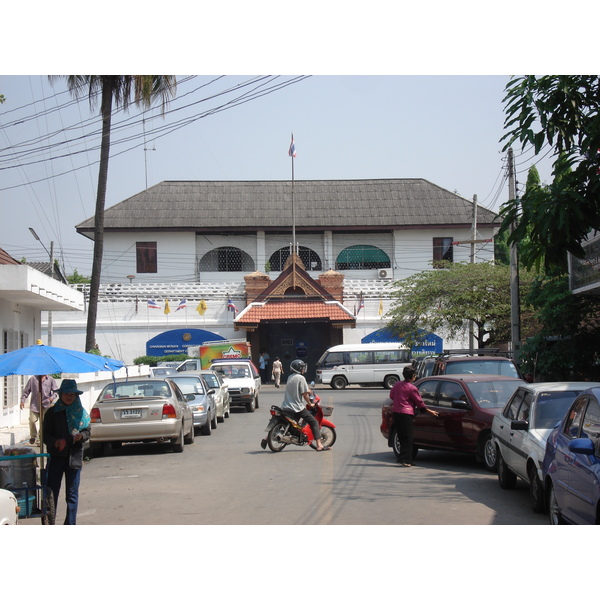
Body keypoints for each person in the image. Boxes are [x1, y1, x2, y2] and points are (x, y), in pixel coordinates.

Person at [42, 379, 91, 525]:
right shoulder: (52, 413)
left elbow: (88, 431)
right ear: (61, 394)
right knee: (51, 493)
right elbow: (45, 435)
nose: (69, 397)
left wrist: (82, 436)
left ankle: (70, 524)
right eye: (66, 394)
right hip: (56, 457)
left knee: (72, 494)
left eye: (72, 394)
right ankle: (50, 523)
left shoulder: (82, 413)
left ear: (76, 396)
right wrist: (55, 442)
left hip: (74, 457)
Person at [389, 365, 438, 467]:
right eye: (415, 375)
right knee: (408, 437)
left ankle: (403, 458)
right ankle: (407, 460)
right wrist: (430, 412)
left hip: (396, 413)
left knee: (402, 436)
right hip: (406, 414)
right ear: (412, 376)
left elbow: (392, 396)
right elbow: (419, 403)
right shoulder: (412, 388)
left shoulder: (397, 385)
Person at [282, 359, 329, 451]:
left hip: (286, 406)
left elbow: (298, 388)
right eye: (302, 367)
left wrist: (309, 390)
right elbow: (304, 394)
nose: (303, 369)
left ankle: (267, 438)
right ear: (298, 369)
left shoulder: (290, 377)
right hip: (297, 407)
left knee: (292, 423)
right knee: (314, 422)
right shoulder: (301, 378)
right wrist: (310, 403)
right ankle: (319, 445)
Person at [20, 374, 58, 445]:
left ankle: (40, 440)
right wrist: (22, 401)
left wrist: (51, 398)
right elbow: (26, 391)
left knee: (43, 423)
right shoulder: (33, 379)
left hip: (46, 405)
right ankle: (33, 436)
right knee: (32, 420)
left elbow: (56, 392)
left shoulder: (50, 379)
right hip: (35, 405)